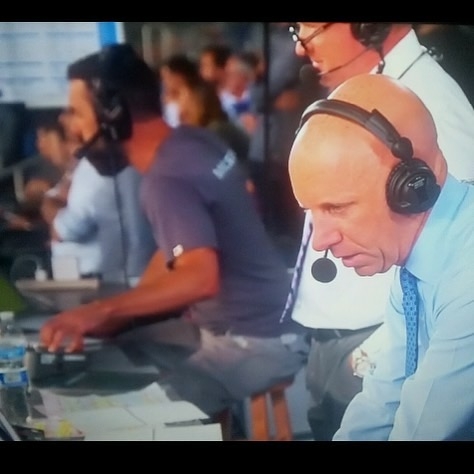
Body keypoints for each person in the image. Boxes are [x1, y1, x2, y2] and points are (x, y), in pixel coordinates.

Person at [38, 43, 308, 424]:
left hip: (254, 342)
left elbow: (199, 277)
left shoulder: (166, 178)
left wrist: (102, 310)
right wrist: (115, 319)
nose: (75, 128)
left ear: (113, 113)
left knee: (129, 412)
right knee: (121, 349)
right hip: (270, 327)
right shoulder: (195, 141)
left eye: (79, 113)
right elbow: (175, 252)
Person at [282, 22, 474, 440]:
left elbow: (420, 429)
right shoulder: (413, 269)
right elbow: (382, 400)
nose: (321, 240)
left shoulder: (467, 280)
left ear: (412, 187)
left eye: (336, 208)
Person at [40, 110, 156, 284]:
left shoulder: (94, 167)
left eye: (75, 112)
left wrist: (51, 209)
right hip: (127, 274)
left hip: (107, 280)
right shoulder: (91, 166)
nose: (63, 118)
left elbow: (70, 228)